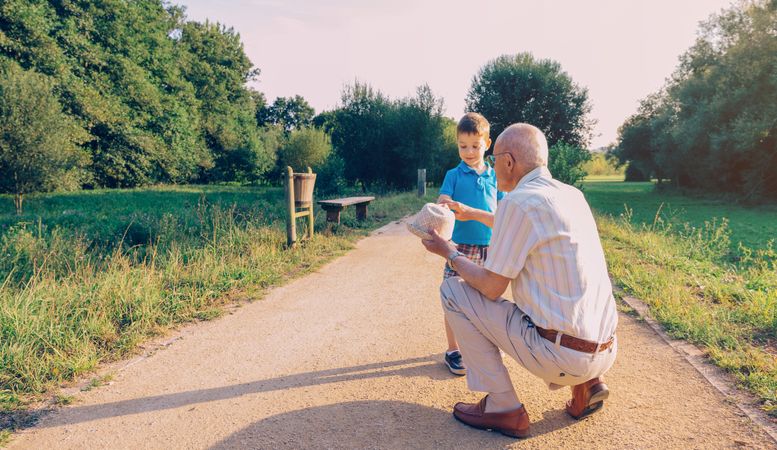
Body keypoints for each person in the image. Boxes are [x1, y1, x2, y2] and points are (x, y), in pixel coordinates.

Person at [422, 123, 618, 438]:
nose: (492, 164)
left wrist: (449, 253)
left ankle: (503, 407)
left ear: (509, 162)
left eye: (495, 158)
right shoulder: (572, 195)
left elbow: (490, 286)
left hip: (562, 356)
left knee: (451, 290)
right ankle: (587, 385)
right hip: (607, 351)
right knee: (567, 291)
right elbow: (514, 225)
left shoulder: (518, 201)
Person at [436, 112, 503, 376]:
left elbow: (503, 211)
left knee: (487, 298)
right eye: (463, 146)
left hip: (490, 246)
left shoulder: (495, 176)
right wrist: (443, 201)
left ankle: (483, 345)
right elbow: (444, 195)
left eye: (475, 146)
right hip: (459, 246)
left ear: (487, 144)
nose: (469, 151)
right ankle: (453, 350)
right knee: (453, 295)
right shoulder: (454, 174)